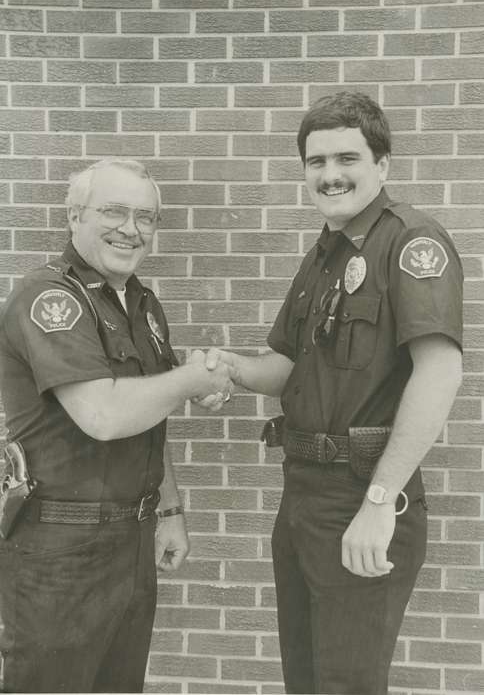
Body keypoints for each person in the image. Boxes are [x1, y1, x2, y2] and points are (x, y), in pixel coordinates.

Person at [199, 92, 463, 694]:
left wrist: (379, 501)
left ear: (383, 165)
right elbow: (285, 367)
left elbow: (440, 372)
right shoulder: (322, 256)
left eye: (347, 158)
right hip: (303, 496)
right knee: (308, 680)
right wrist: (228, 368)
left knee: (347, 685)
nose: (330, 175)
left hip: (363, 496)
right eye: (316, 162)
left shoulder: (411, 242)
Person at [0, 158, 233, 693]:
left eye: (146, 217)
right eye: (113, 211)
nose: (130, 228)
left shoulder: (143, 304)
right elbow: (104, 415)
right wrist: (193, 377)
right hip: (59, 547)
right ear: (74, 215)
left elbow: (149, 415)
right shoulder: (49, 297)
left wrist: (170, 508)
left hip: (130, 540)